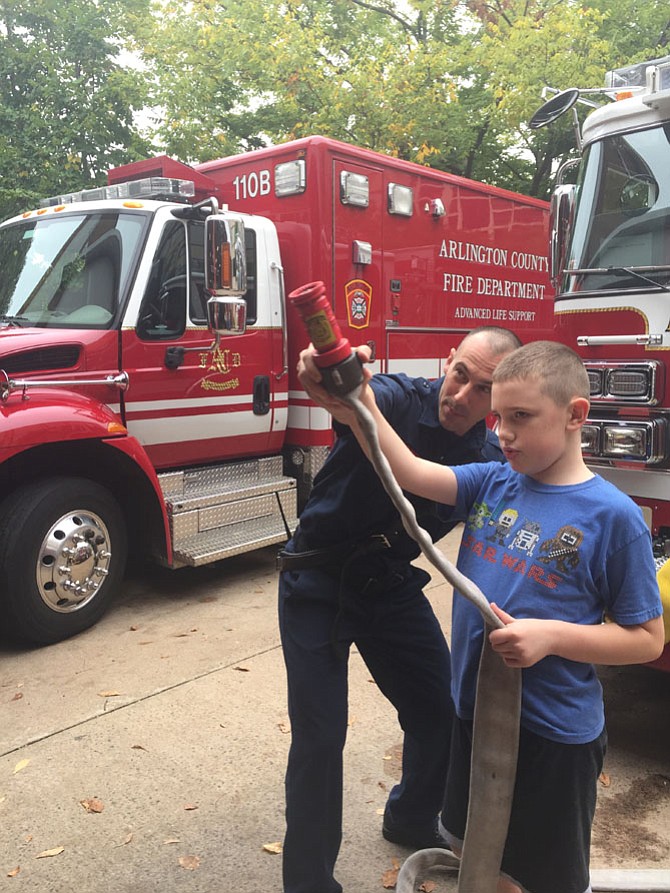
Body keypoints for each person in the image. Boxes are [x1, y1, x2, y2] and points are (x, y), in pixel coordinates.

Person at [321, 339, 664, 893]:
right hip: (475, 715)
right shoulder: (490, 481)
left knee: (541, 875)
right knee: (476, 852)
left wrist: (550, 637)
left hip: (553, 735)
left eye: (521, 417)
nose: (502, 431)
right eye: (499, 417)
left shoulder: (615, 518)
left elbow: (647, 639)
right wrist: (358, 398)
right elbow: (405, 468)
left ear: (576, 414)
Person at [277, 326, 522, 893]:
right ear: (447, 361)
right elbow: (351, 392)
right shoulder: (397, 397)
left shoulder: (487, 459)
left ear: (501, 398)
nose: (461, 396)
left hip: (387, 588)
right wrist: (326, 373)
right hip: (316, 581)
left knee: (438, 709)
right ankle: (309, 884)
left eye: (483, 389)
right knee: (319, 738)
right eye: (460, 374)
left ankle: (410, 817)